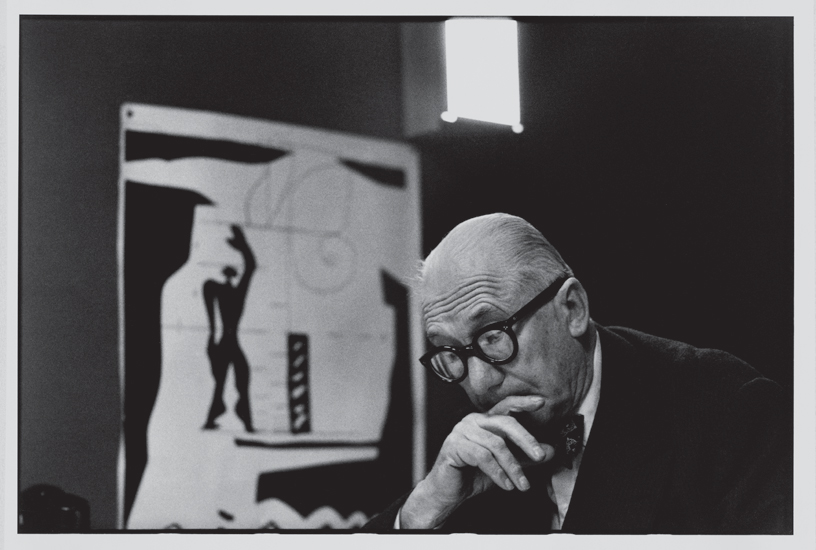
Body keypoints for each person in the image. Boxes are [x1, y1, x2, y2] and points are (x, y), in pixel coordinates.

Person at [363, 213, 791, 534]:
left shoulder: (729, 411)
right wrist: (426, 506)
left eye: (493, 335)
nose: (478, 384)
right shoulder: (467, 443)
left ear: (572, 309)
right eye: (451, 353)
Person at [203, 224, 256, 433]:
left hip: (229, 340)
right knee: (228, 379)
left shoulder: (232, 292)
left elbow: (250, 266)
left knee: (236, 377)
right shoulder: (223, 291)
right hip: (227, 340)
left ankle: (235, 414)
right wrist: (212, 335)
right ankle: (228, 414)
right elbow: (250, 266)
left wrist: (243, 246)